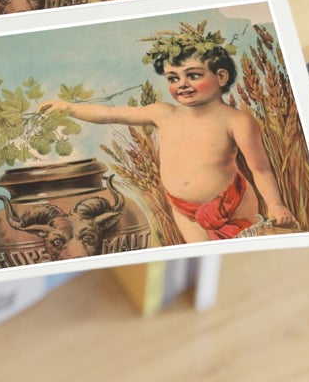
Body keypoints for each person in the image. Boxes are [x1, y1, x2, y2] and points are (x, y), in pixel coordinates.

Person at [38, 23, 295, 242]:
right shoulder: (164, 113)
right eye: (173, 78)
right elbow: (109, 113)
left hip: (232, 202)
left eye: (192, 75)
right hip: (183, 209)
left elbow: (260, 167)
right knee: (202, 252)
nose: (182, 84)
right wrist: (69, 108)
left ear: (221, 76)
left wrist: (275, 204)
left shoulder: (236, 120)